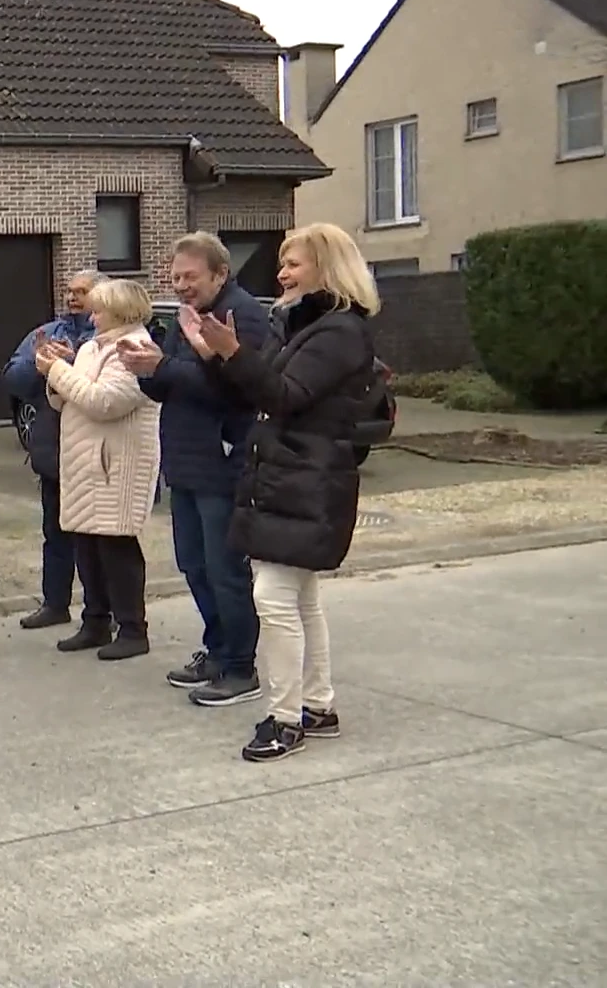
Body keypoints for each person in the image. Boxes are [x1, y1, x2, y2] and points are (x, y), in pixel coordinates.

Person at [187, 222, 380, 762]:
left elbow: (287, 395)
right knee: (301, 598)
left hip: (306, 478)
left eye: (293, 263)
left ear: (325, 267)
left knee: (273, 598)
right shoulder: (301, 326)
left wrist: (233, 352)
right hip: (290, 475)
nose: (281, 272)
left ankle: (285, 716)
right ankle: (317, 705)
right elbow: (259, 389)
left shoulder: (339, 332)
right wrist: (217, 354)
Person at [119, 233, 272, 707]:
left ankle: (240, 667)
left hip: (220, 459)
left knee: (224, 568)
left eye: (191, 276)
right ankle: (218, 647)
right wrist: (149, 370)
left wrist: (163, 366)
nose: (181, 285)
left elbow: (234, 389)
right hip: (185, 459)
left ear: (219, 274)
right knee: (193, 564)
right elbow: (174, 384)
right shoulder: (186, 318)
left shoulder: (240, 315)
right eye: (176, 276)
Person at [37, 278, 162, 660]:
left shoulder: (136, 349)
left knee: (116, 546)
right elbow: (70, 402)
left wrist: (58, 371)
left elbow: (105, 402)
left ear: (120, 311)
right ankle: (95, 621)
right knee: (86, 544)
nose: (91, 317)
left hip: (115, 463)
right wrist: (54, 378)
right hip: (83, 459)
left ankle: (132, 629)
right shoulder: (93, 347)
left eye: (99, 310)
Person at [1, 269, 101, 631]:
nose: (72, 298)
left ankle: (100, 613)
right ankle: (55, 603)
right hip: (53, 452)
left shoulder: (105, 337)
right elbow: (11, 379)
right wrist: (39, 363)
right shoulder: (47, 333)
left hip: (93, 454)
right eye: (69, 291)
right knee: (54, 533)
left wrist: (65, 365)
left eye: (81, 292)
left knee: (94, 541)